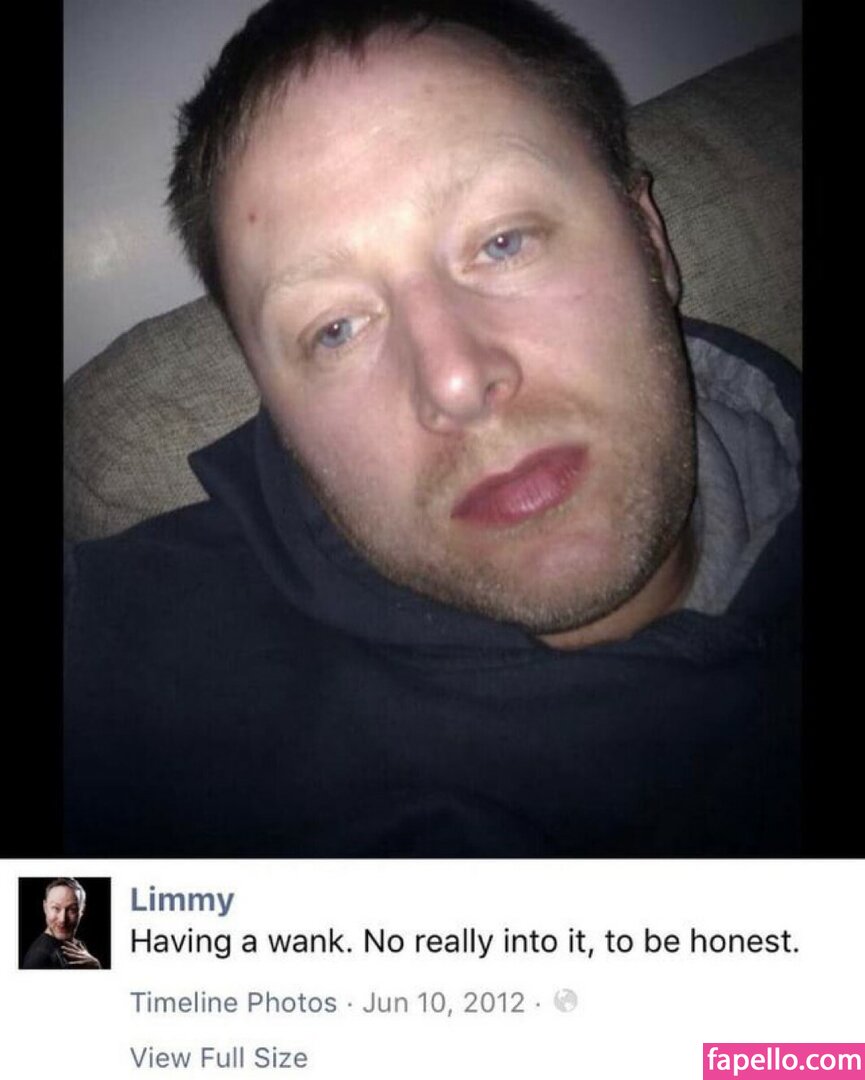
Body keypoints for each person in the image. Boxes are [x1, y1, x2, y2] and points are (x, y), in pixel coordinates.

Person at [64, 0, 800, 857]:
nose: (453, 381)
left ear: (649, 239)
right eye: (335, 328)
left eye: (503, 241)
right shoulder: (137, 671)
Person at [21, 879, 102, 969]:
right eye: (56, 908)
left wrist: (96, 965)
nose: (62, 919)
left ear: (82, 910)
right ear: (45, 908)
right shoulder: (39, 958)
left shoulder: (79, 946)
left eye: (72, 909)